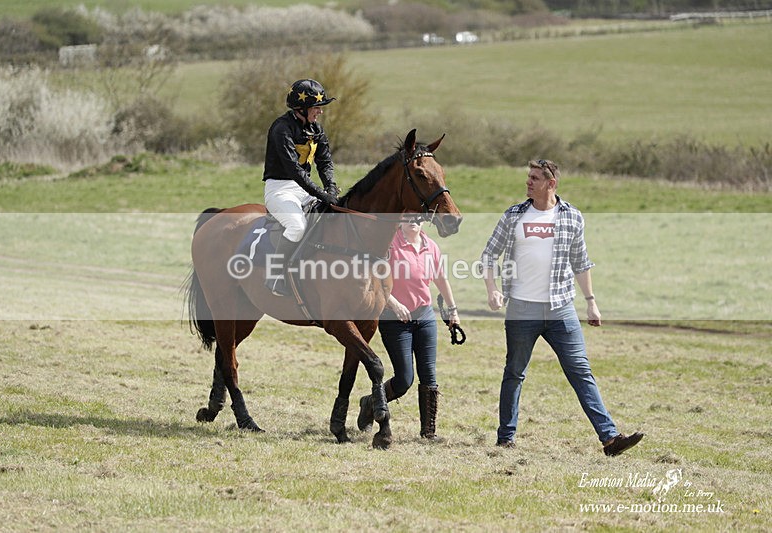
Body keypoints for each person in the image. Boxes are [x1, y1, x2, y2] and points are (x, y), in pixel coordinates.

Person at [481, 159, 643, 456]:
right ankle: (505, 437)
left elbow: (581, 263)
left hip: (561, 309)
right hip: (522, 309)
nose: (528, 182)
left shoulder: (572, 218)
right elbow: (489, 255)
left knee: (580, 369)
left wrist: (591, 302)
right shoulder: (514, 215)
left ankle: (610, 439)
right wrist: (492, 290)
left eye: (534, 178)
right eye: (528, 177)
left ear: (551, 183)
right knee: (515, 372)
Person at [357, 215, 460, 439]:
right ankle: (369, 403)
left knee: (429, 376)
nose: (413, 220)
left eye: (418, 217)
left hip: (424, 315)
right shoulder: (390, 243)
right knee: (404, 379)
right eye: (408, 216)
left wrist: (452, 310)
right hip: (394, 319)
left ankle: (428, 433)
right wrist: (393, 303)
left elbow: (441, 278)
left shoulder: (430, 246)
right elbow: (375, 277)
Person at [263, 78, 340, 296]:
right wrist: (321, 194)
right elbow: (294, 170)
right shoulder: (281, 128)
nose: (320, 112)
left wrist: (331, 188)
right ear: (302, 108)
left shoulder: (316, 128)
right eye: (317, 107)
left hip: (303, 189)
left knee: (331, 215)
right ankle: (274, 275)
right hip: (279, 189)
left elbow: (324, 161)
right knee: (297, 226)